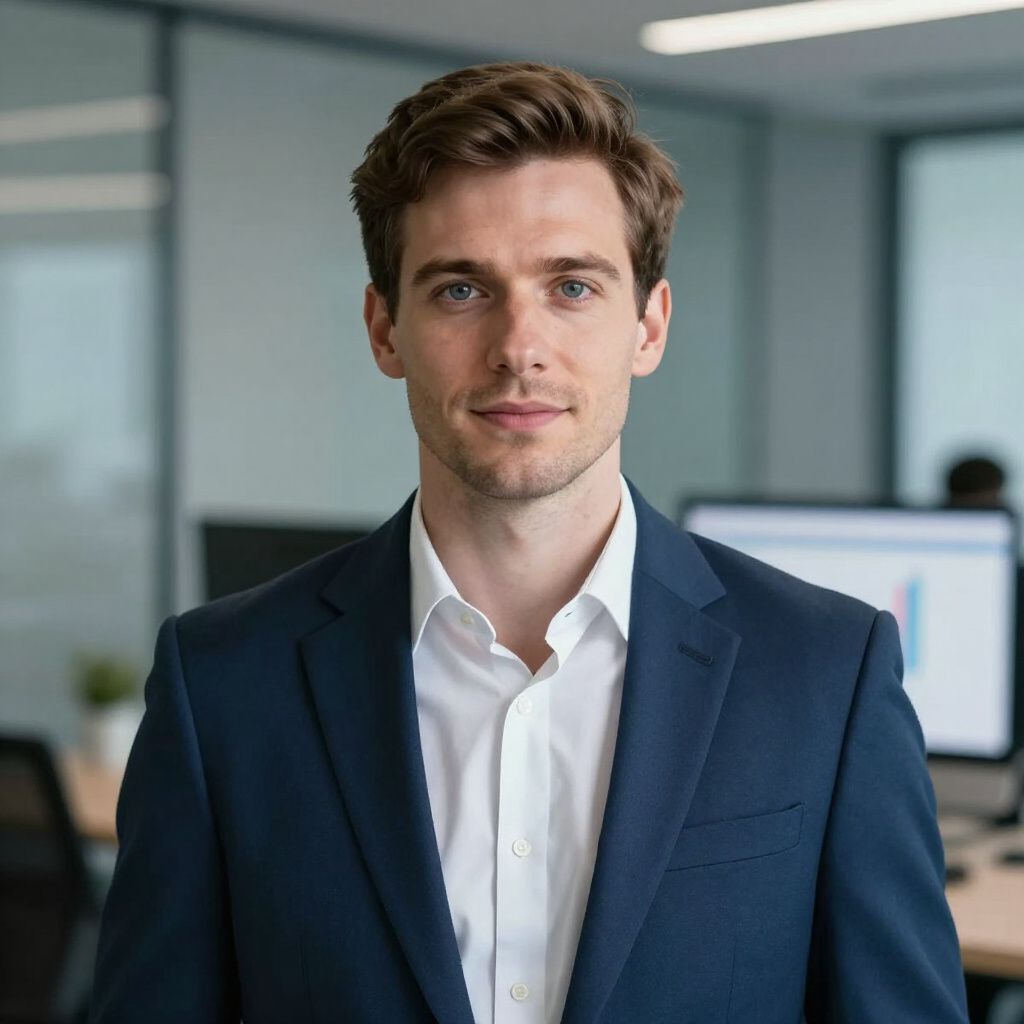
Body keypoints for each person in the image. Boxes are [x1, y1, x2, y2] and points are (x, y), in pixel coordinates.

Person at [88, 62, 968, 1023]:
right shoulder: (222, 683)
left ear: (649, 326)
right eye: (462, 289)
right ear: (385, 330)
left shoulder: (825, 673)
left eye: (573, 286)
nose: (519, 346)